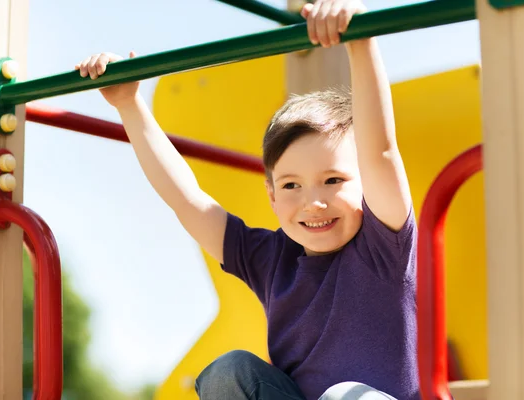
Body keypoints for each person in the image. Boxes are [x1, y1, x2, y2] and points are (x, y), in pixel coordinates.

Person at [76, 0, 419, 399]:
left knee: (343, 396)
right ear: (271, 196)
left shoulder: (384, 246)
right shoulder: (272, 261)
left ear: (364, 184)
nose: (313, 202)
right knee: (229, 372)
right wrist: (129, 105)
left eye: (333, 180)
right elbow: (186, 200)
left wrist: (361, 42)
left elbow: (380, 154)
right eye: (292, 186)